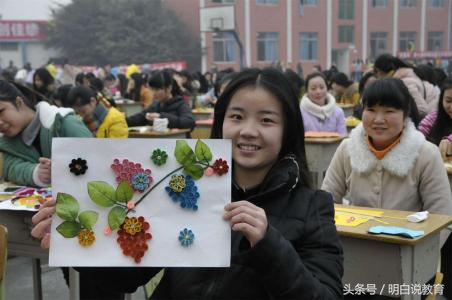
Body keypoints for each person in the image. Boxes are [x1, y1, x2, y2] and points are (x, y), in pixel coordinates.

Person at [31, 68, 344, 299]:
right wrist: (78, 239)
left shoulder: (313, 207)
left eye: (266, 120)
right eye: (236, 117)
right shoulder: (185, 189)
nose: (248, 131)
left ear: (287, 130)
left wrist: (269, 245)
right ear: (221, 123)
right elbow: (125, 279)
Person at [322, 77, 452, 219]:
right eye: (371, 110)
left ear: (405, 113)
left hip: (411, 240)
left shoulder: (426, 154)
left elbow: (441, 215)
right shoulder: (347, 149)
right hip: (353, 240)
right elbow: (326, 202)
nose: (378, 119)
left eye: (389, 111)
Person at [0, 80, 92, 186]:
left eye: (1, 112)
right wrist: (35, 172)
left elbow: (95, 159)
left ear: (19, 102)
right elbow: (10, 167)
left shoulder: (63, 123)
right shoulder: (6, 141)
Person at [374, 53, 439, 118]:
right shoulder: (401, 78)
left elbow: (421, 109)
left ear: (379, 71)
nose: (376, 77)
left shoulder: (405, 82)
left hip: (432, 118)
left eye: (375, 72)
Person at [126, 70, 195, 130]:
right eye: (151, 89)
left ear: (169, 88)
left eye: (157, 89)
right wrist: (121, 121)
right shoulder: (156, 105)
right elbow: (141, 117)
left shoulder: (181, 104)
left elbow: (189, 123)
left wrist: (161, 117)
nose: (153, 93)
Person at [418, 78, 452, 161]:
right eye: (448, 101)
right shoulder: (434, 117)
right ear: (441, 100)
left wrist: (449, 140)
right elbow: (420, 131)